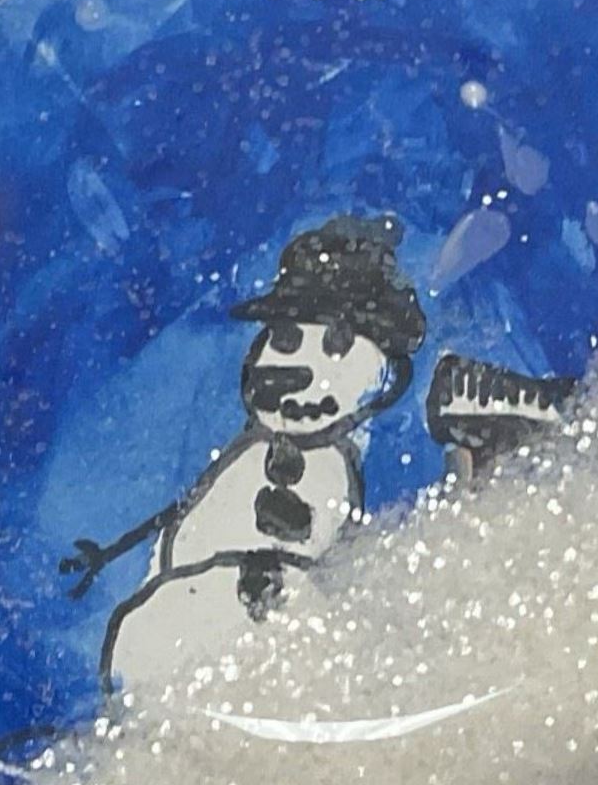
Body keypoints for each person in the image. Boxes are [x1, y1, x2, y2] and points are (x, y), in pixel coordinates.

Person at [61, 214, 425, 696]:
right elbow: (188, 510)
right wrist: (108, 554)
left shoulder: (325, 467)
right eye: (285, 339)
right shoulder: (256, 449)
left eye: (335, 343)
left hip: (247, 644)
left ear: (387, 377)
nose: (294, 367)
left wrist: (274, 552)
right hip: (171, 626)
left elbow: (311, 538)